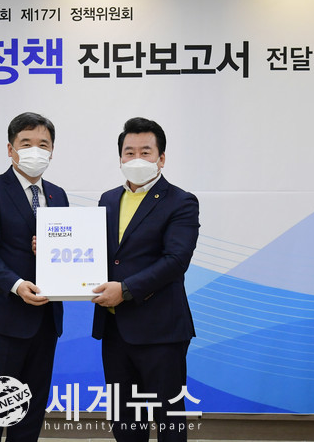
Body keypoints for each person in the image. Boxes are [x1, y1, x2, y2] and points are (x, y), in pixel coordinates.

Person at [91, 117, 200, 442]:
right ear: (120, 158)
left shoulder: (181, 201)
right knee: (124, 421)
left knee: (168, 420)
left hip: (160, 329)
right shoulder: (108, 199)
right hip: (115, 329)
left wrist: (125, 290)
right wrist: (51, 248)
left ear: (161, 158)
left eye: (145, 151)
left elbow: (175, 260)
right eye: (129, 152)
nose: (136, 158)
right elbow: (96, 252)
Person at [0, 112, 68, 442]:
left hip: (45, 319)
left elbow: (67, 248)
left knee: (31, 412)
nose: (35, 151)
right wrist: (17, 284)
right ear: (11, 149)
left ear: (52, 151)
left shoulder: (58, 195)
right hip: (2, 319)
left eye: (43, 144)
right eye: (26, 143)